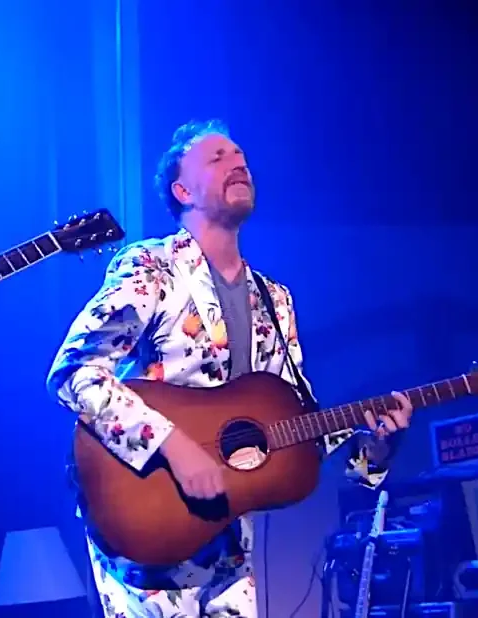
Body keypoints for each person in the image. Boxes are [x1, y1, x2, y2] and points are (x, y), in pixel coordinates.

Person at [46, 119, 413, 618]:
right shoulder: (153, 268)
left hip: (228, 538)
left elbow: (291, 432)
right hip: (145, 518)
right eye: (217, 158)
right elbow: (73, 373)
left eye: (240, 156)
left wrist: (372, 444)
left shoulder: (275, 301)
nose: (238, 163)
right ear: (182, 190)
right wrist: (173, 446)